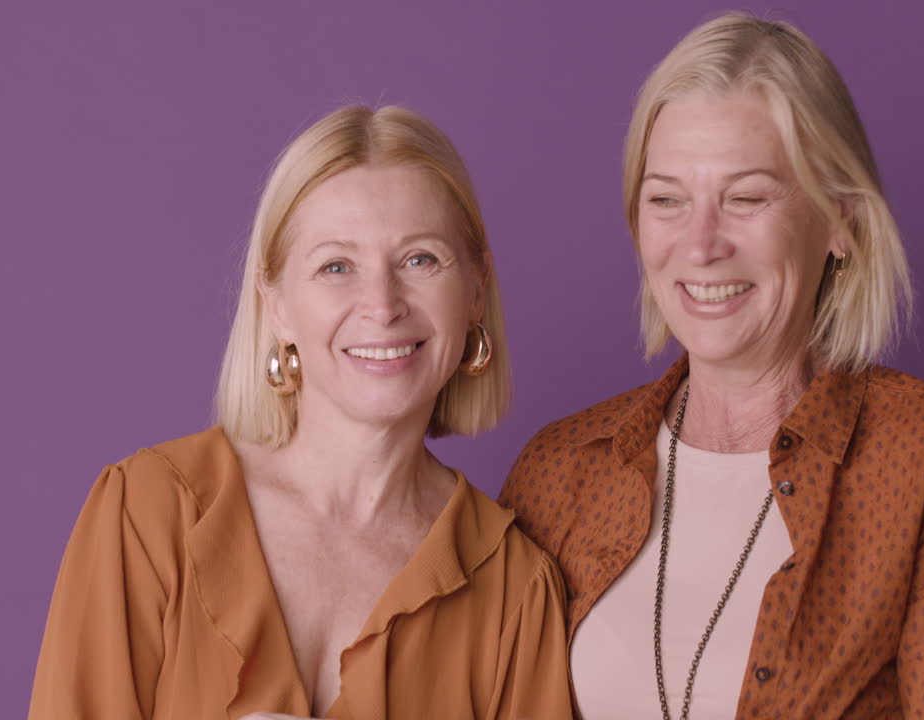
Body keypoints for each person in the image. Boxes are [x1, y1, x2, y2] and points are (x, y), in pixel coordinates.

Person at [500, 13, 924, 720]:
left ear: (840, 220)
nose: (700, 246)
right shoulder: (558, 472)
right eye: (667, 199)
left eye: (746, 198)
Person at [29, 105, 572, 720]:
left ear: (475, 288)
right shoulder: (150, 513)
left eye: (420, 260)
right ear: (276, 304)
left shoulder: (513, 589)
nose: (382, 305)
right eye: (335, 266)